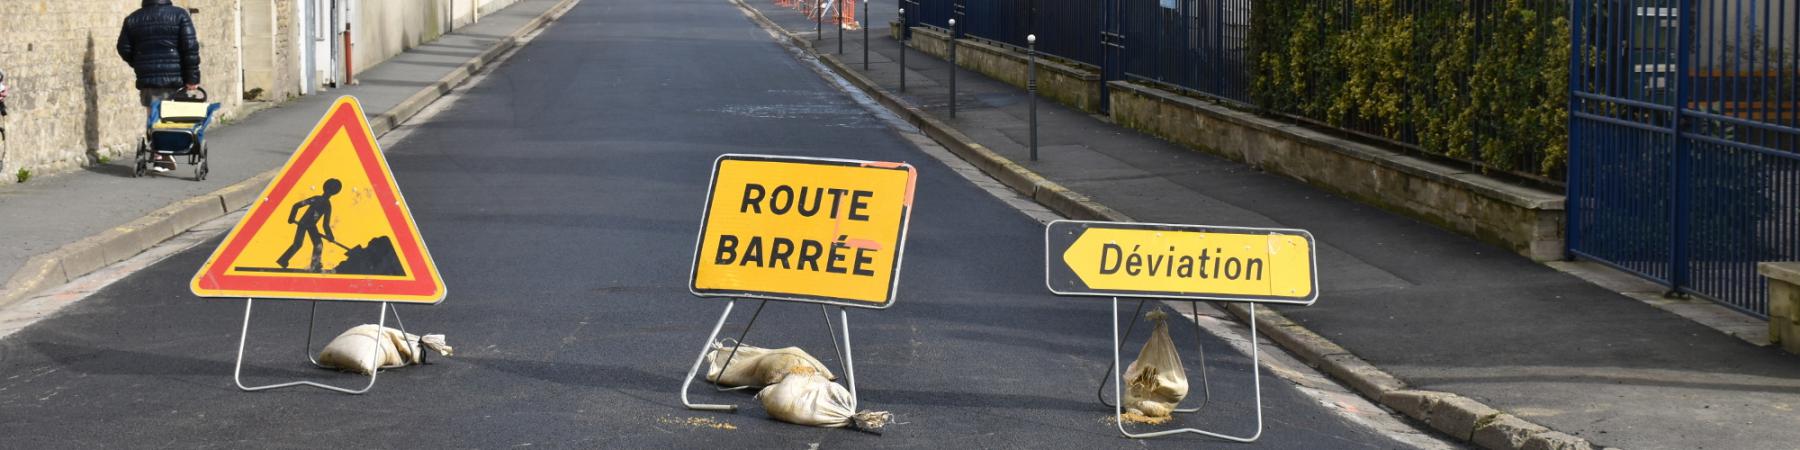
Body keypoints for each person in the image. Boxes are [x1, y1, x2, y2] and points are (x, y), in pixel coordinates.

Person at [116, 0, 201, 173]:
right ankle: (165, 151)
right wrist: (192, 78)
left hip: (148, 77)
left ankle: (159, 154)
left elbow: (123, 47)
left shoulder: (133, 19)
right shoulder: (179, 15)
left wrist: (140, 63)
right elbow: (190, 48)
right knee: (173, 116)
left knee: (153, 114)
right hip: (175, 76)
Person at [278, 179, 341, 272]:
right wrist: (291, 217)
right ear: (326, 189)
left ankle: (315, 265)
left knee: (318, 244)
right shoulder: (316, 199)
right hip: (303, 223)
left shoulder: (327, 205)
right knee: (298, 244)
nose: (329, 192)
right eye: (329, 189)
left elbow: (325, 224)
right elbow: (297, 205)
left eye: (332, 191)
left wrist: (330, 235)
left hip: (312, 226)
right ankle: (283, 260)